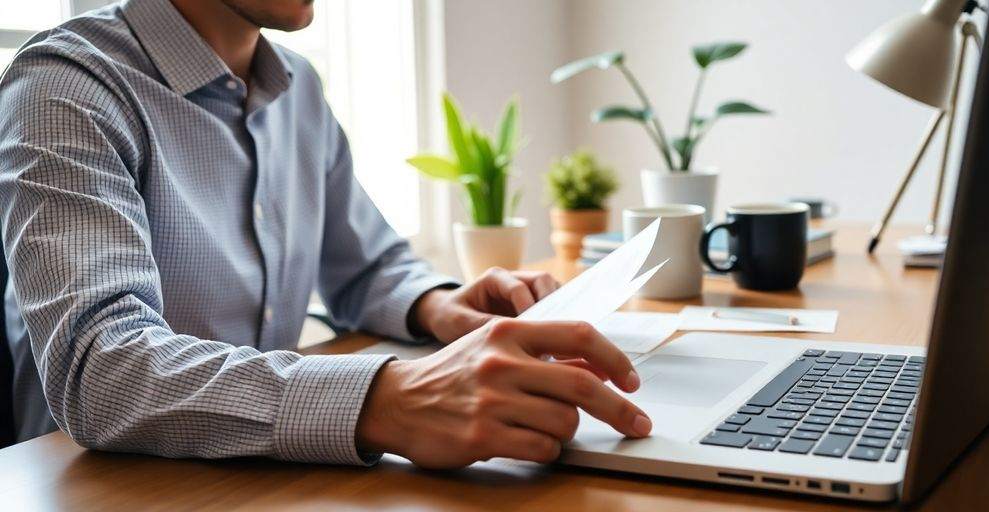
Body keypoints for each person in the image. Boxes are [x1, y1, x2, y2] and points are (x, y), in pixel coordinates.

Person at [0, 0, 651, 467]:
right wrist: (389, 400)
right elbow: (99, 372)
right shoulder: (67, 88)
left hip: (264, 473)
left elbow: (367, 267)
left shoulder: (298, 87)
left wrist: (441, 304)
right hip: (99, 482)